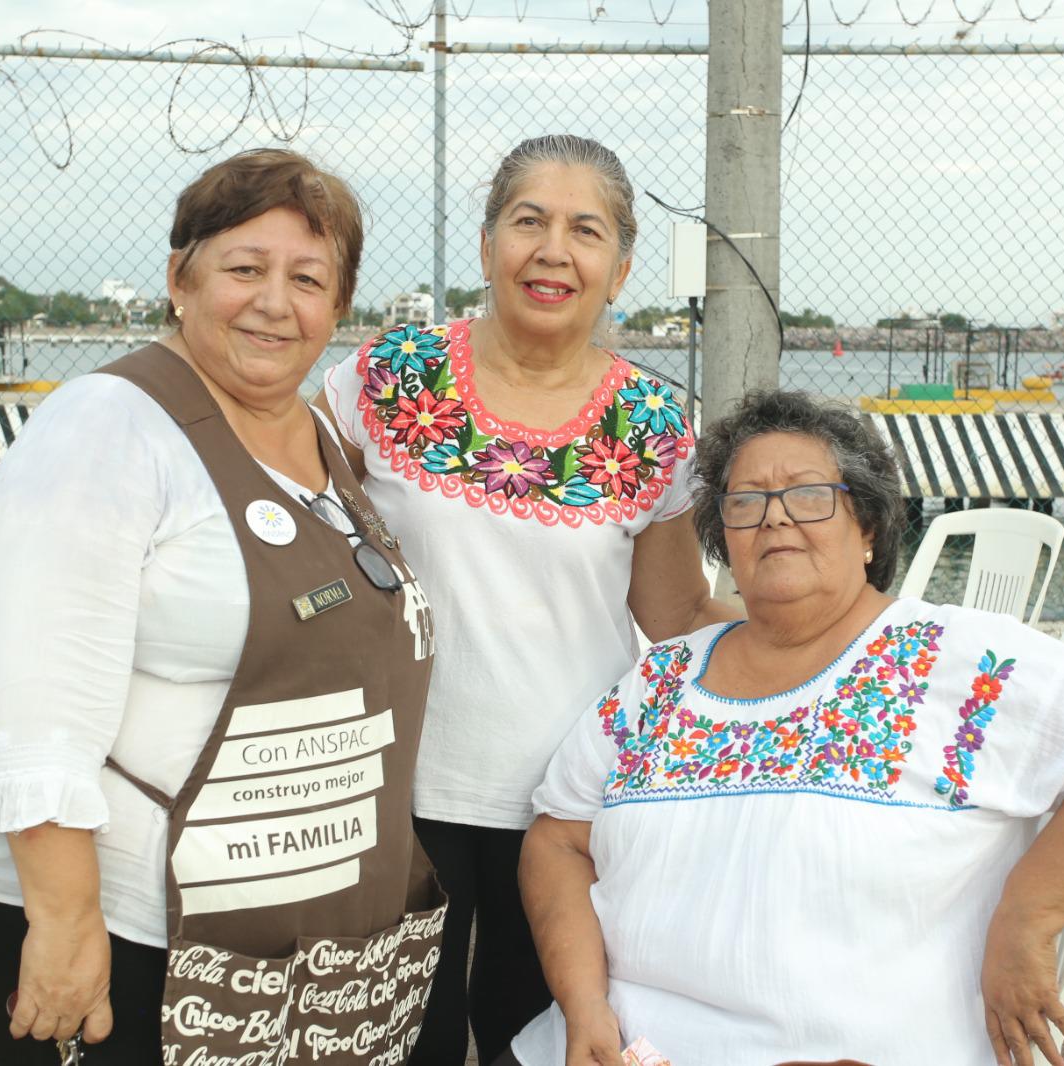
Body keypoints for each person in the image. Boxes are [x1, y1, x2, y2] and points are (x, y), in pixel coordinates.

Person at [508, 389, 1064, 1066]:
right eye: (745, 503)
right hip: (620, 1044)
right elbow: (558, 838)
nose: (774, 519)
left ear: (868, 528)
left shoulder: (968, 662)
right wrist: (583, 1005)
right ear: (724, 540)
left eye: (810, 496)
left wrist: (1028, 916)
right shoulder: (659, 682)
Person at [0, 149, 444, 1066]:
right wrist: (65, 925)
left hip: (280, 943)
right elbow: (37, 705)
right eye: (244, 269)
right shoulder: (107, 426)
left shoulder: (314, 430)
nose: (274, 302)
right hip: (131, 935)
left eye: (308, 279)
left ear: (340, 305)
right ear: (180, 278)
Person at [317, 133, 736, 1065]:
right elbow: (297, 530)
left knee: (530, 1036)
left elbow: (672, 616)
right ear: (486, 246)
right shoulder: (389, 378)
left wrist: (838, 630)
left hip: (569, 800)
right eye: (528, 221)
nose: (554, 251)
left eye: (585, 231)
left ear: (620, 269)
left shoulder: (659, 423)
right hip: (395, 781)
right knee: (393, 1040)